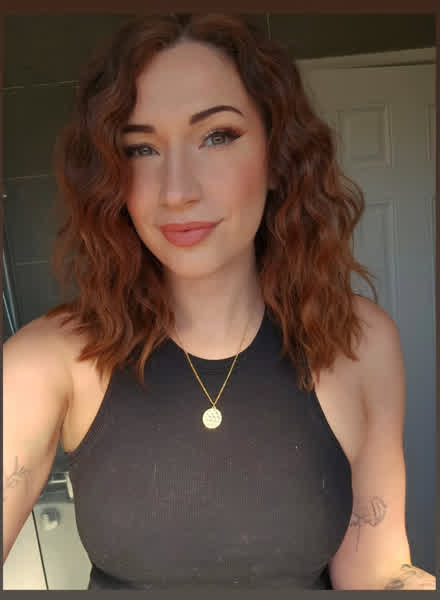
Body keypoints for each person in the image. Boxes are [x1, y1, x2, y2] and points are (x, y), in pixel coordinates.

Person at [3, 13, 435, 592]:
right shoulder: (46, 361)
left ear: (277, 156)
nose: (178, 190)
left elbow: (375, 571)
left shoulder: (360, 341)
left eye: (217, 136)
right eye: (141, 148)